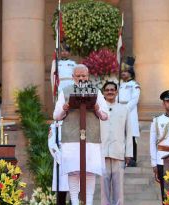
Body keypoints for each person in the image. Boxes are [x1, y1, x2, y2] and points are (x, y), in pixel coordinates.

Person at [53, 64, 109, 205]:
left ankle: (88, 203)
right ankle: (74, 202)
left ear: (88, 76)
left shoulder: (96, 91)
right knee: (73, 171)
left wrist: (97, 109)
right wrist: (65, 109)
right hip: (71, 137)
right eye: (78, 76)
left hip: (91, 137)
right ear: (73, 77)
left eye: (84, 75)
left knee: (90, 171)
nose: (81, 78)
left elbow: (105, 115)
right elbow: (56, 116)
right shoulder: (65, 91)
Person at [49, 42, 75, 204]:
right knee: (61, 191)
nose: (64, 53)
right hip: (60, 160)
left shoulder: (74, 64)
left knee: (74, 191)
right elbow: (53, 77)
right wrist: (59, 157)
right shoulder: (55, 63)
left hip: (72, 160)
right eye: (62, 51)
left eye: (66, 51)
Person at [100, 81, 133, 205]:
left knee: (119, 188)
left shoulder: (124, 109)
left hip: (118, 152)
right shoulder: (99, 110)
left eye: (112, 90)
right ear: (103, 93)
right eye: (107, 90)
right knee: (104, 188)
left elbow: (129, 132)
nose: (110, 92)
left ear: (116, 92)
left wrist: (128, 153)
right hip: (103, 153)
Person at [118, 56, 140, 167]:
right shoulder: (121, 85)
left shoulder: (134, 85)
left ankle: (132, 159)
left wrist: (125, 109)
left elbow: (135, 99)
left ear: (131, 73)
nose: (123, 73)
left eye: (125, 71)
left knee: (131, 136)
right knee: (122, 135)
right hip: (120, 111)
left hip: (129, 112)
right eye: (122, 72)